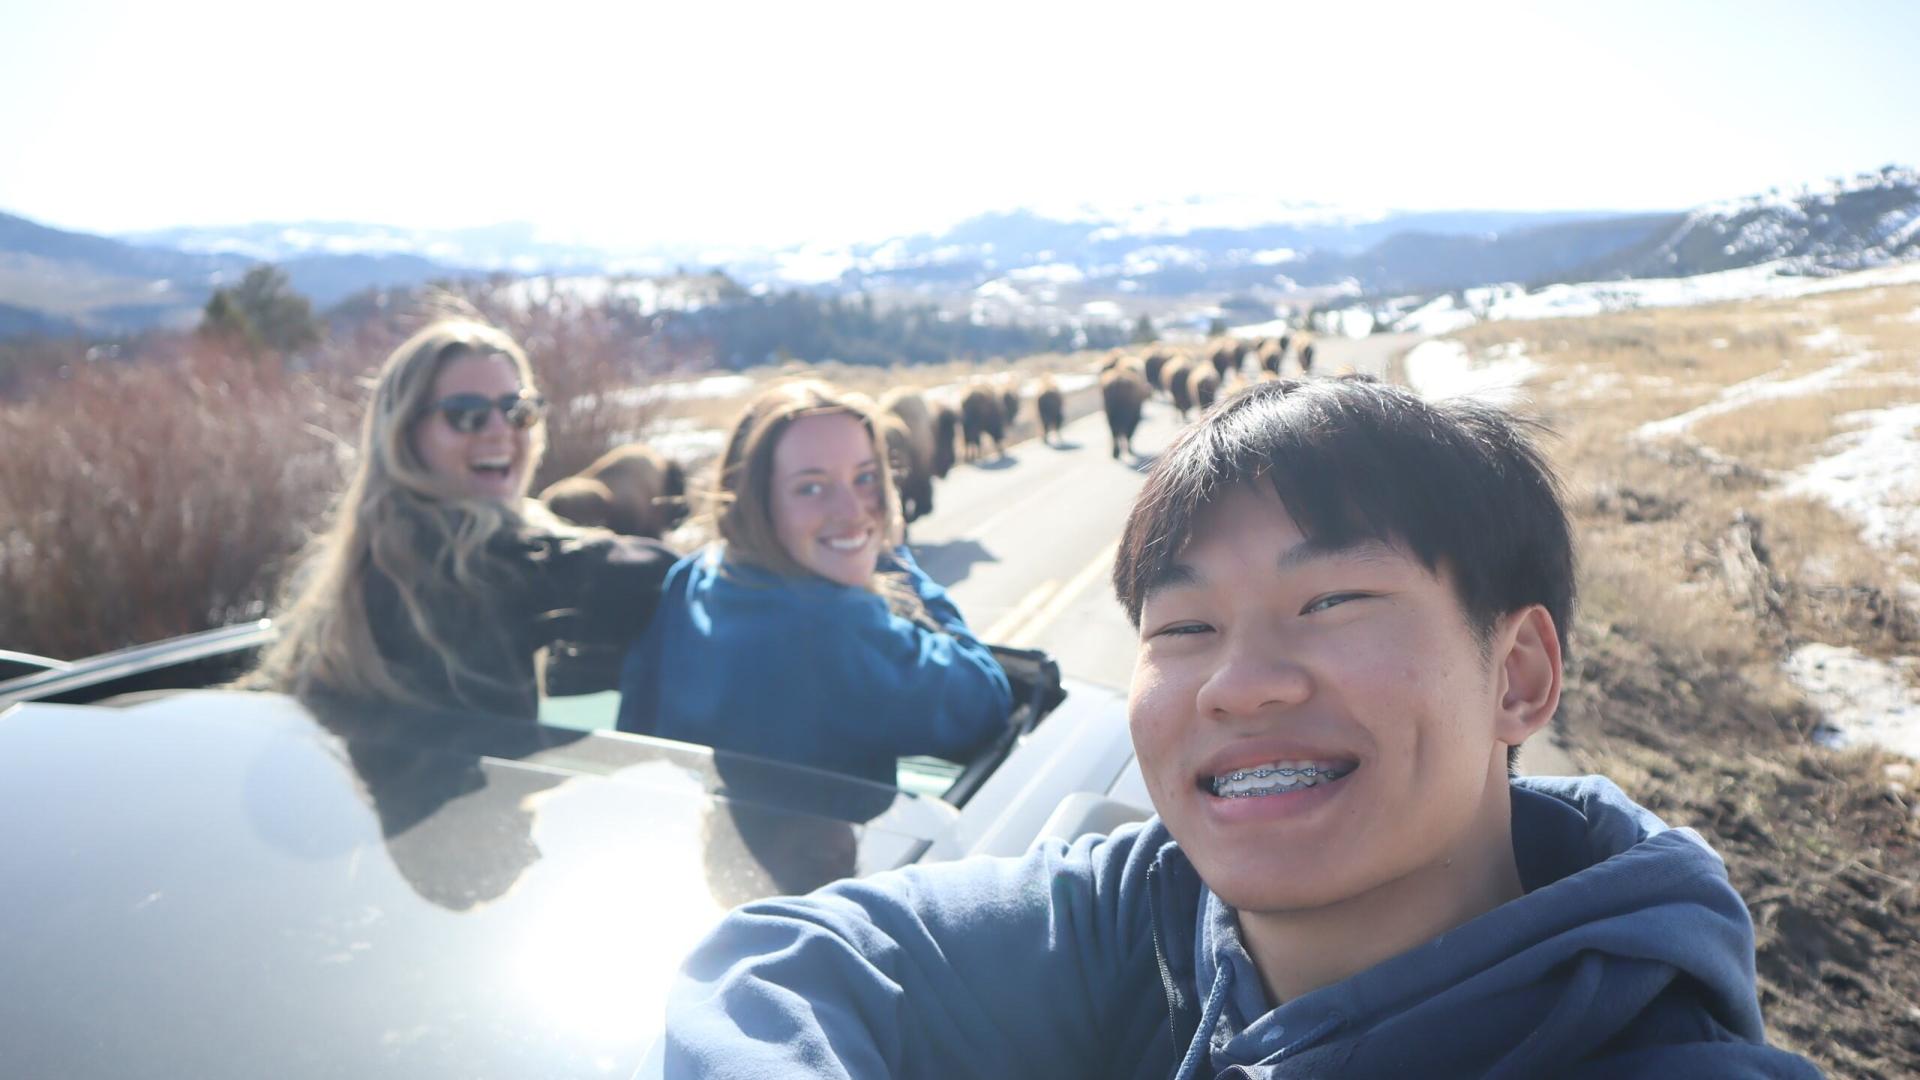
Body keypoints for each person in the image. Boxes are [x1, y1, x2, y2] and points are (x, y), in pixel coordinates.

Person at [662, 376, 1820, 1078]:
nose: (1240, 684)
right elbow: (775, 963)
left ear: (1517, 674)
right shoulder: (1147, 919)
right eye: (1183, 628)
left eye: (1330, 602)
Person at [251, 316, 673, 720]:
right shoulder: (476, 562)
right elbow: (657, 575)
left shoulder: (356, 561)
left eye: (517, 410)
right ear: (404, 434)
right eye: (465, 414)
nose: (498, 431)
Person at [616, 379, 1012, 787]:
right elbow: (984, 699)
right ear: (756, 501)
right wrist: (891, 557)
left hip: (709, 840)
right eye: (811, 487)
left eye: (866, 478)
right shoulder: (836, 625)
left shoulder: (695, 576)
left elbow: (637, 728)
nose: (853, 509)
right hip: (834, 850)